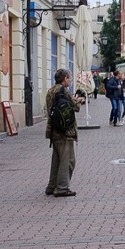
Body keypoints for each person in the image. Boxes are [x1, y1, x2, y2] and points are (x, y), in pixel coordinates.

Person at [45, 69, 85, 197]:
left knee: (56, 159)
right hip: (65, 130)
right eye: (69, 78)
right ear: (65, 78)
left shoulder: (50, 91)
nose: (70, 80)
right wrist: (79, 100)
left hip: (53, 129)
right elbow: (75, 107)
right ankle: (62, 187)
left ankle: (52, 186)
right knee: (68, 160)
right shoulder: (63, 91)